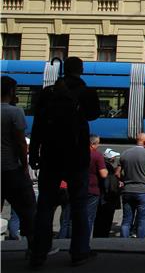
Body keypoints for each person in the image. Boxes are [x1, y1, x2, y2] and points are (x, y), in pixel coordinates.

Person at [29, 57, 100, 267]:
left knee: (44, 206)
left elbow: (38, 125)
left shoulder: (48, 93)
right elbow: (94, 115)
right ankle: (79, 252)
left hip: (50, 155)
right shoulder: (86, 92)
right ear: (81, 70)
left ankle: (38, 253)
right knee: (79, 204)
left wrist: (34, 152)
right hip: (76, 156)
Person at [1, 75, 36, 254]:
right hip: (10, 169)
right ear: (11, 91)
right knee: (28, 209)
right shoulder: (15, 112)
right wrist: (24, 165)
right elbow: (21, 143)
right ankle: (33, 249)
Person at [118, 133, 145, 239]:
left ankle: (123, 244)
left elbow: (117, 173)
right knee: (141, 221)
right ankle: (140, 244)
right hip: (143, 191)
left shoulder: (125, 153)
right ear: (144, 141)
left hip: (127, 190)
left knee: (126, 220)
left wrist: (123, 181)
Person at [93, 149, 121, 238]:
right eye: (114, 157)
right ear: (111, 158)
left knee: (98, 219)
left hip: (100, 198)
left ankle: (97, 235)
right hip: (107, 199)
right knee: (106, 221)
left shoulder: (102, 166)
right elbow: (110, 185)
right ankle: (102, 237)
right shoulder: (109, 169)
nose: (115, 158)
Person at [86, 135, 108, 238]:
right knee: (89, 218)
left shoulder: (76, 153)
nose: (98, 145)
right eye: (97, 143)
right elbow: (103, 174)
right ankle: (85, 244)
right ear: (92, 144)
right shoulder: (97, 155)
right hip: (93, 189)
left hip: (78, 187)